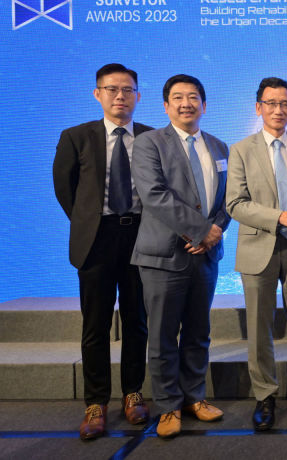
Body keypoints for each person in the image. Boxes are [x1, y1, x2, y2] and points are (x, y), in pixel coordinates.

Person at [53, 63, 151, 440]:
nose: (120, 96)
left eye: (127, 90)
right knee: (95, 325)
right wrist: (89, 222)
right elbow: (65, 188)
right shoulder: (76, 136)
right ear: (98, 94)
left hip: (141, 236)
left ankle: (133, 393)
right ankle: (95, 403)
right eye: (112, 89)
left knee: (137, 320)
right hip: (97, 239)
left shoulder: (152, 137)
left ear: (138, 95)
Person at [131, 74, 230, 438]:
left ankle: (194, 397)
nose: (186, 103)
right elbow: (154, 195)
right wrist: (201, 230)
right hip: (163, 255)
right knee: (161, 336)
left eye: (193, 97)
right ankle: (168, 406)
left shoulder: (219, 146)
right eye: (178, 97)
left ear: (204, 104)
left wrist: (213, 232)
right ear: (165, 105)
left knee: (199, 332)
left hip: (205, 256)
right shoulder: (149, 143)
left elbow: (228, 199)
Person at [226, 77, 287, 431]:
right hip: (258, 247)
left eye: (284, 104)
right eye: (271, 103)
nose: (278, 110)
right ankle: (264, 395)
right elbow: (235, 204)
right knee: (259, 326)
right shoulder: (241, 150)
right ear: (258, 108)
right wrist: (280, 217)